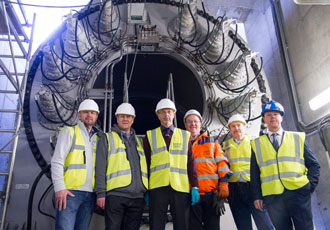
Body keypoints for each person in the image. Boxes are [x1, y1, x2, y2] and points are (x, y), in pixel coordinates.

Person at [250, 100, 320, 230]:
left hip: (298, 193)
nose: (272, 117)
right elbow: (254, 174)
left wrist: (309, 186)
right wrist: (257, 196)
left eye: (275, 114)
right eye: (269, 115)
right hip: (273, 198)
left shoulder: (297, 137)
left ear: (281, 117)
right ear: (264, 119)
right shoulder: (256, 144)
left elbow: (314, 164)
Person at [143, 98, 199, 230]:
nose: (166, 115)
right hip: (157, 187)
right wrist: (145, 188)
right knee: (156, 225)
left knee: (182, 224)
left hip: (180, 187)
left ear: (174, 114)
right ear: (158, 115)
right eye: (162, 112)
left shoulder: (185, 136)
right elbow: (145, 164)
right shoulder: (150, 136)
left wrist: (195, 186)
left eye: (169, 112)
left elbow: (191, 163)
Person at [95, 102, 148, 230]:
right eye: (122, 116)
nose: (125, 119)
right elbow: (100, 167)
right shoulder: (107, 138)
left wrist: (147, 191)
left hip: (137, 197)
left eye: (128, 116)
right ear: (117, 118)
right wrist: (101, 193)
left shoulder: (140, 142)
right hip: (116, 196)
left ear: (133, 119)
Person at [51, 99, 101, 230]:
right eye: (86, 112)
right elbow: (57, 161)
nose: (89, 115)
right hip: (70, 193)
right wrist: (60, 188)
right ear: (79, 115)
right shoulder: (69, 132)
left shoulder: (97, 139)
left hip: (89, 195)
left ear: (96, 116)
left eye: (92, 113)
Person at [222, 114, 274, 230]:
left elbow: (264, 166)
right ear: (230, 129)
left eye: (238, 125)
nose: (236, 129)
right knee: (243, 227)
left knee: (265, 224)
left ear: (245, 127)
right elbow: (222, 168)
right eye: (233, 126)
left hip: (253, 189)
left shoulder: (255, 142)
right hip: (235, 191)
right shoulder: (225, 146)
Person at [184, 109, 230, 230]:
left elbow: (222, 162)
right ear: (185, 125)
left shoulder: (212, 142)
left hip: (211, 196)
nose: (192, 124)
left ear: (200, 123)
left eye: (195, 121)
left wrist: (224, 183)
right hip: (191, 197)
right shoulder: (181, 144)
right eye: (189, 121)